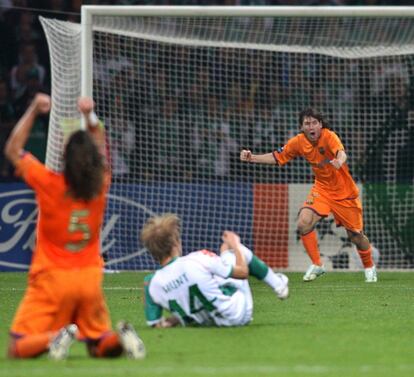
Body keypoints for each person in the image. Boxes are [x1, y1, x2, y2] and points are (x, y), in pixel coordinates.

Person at [4, 93, 145, 360]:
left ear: (65, 158)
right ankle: (119, 338)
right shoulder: (100, 187)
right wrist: (89, 116)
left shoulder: (49, 184)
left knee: (17, 347)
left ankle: (54, 337)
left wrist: (33, 109)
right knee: (97, 344)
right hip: (89, 279)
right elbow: (101, 148)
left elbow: (12, 150)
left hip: (52, 279)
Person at [240, 108, 377, 283]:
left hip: (344, 193)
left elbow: (341, 152)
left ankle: (369, 267)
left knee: (355, 236)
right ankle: (317, 264)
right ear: (302, 127)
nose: (311, 126)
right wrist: (252, 158)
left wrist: (339, 161)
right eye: (307, 123)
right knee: (303, 222)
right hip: (322, 190)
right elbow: (278, 156)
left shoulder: (329, 136)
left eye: (314, 122)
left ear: (320, 125)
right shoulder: (298, 142)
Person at [141, 213, 289, 328]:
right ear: (175, 242)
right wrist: (235, 244)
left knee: (219, 263)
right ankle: (279, 285)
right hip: (238, 314)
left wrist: (178, 318)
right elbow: (243, 273)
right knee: (236, 252)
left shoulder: (151, 283)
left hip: (207, 324)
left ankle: (225, 255)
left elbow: (157, 324)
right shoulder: (197, 258)